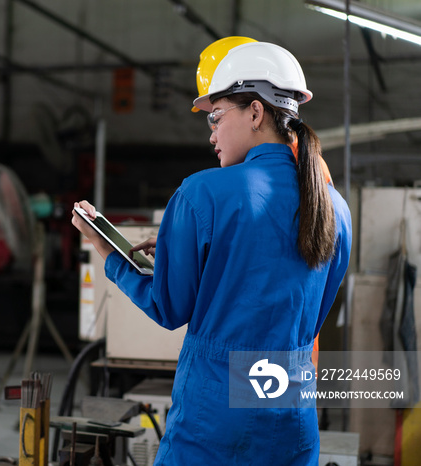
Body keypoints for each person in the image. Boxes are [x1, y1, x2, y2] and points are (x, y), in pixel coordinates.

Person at [72, 40, 352, 464]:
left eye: (217, 117)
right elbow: (311, 316)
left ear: (256, 112)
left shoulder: (202, 192)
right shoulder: (335, 207)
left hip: (215, 419)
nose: (212, 133)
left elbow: (168, 308)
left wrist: (107, 253)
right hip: (292, 415)